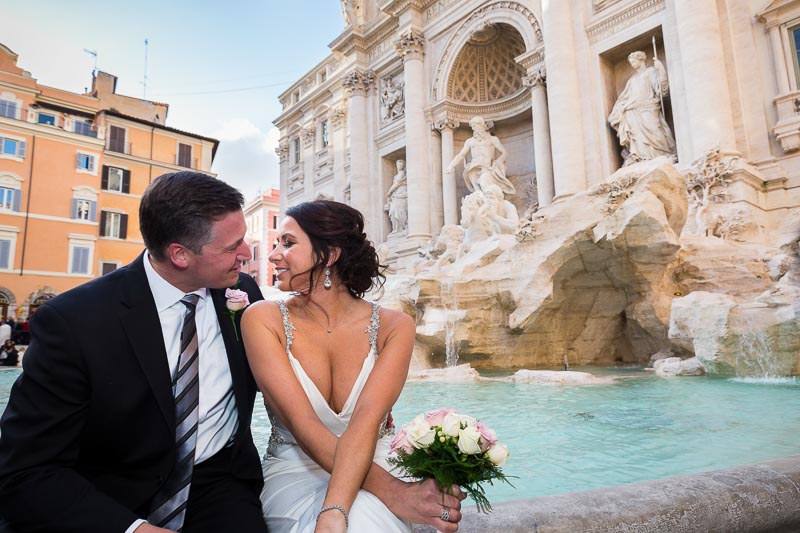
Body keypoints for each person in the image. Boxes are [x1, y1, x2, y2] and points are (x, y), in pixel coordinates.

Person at [0, 171, 268, 533]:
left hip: (219, 487)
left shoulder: (243, 292)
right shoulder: (73, 321)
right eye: (231, 246)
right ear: (179, 255)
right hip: (106, 498)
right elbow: (27, 470)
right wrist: (134, 530)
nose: (246, 254)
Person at [242, 200, 465, 533]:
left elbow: (366, 420)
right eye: (276, 244)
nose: (274, 254)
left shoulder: (395, 326)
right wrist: (390, 494)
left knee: (362, 520)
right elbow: (303, 425)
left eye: (287, 243)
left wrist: (336, 510)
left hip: (376, 461)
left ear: (329, 255)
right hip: (296, 471)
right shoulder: (261, 319)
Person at [608, 50, 677, 166]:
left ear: (640, 59)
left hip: (649, 107)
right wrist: (620, 109)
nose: (632, 64)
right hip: (633, 110)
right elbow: (625, 97)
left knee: (655, 130)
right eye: (630, 62)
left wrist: (661, 70)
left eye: (633, 61)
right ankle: (641, 157)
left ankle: (661, 154)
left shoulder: (651, 72)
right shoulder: (632, 80)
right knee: (637, 136)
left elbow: (661, 91)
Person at [446, 116, 515, 196]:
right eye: (472, 127)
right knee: (478, 193)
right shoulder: (470, 141)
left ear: (480, 125)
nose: (473, 129)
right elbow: (461, 155)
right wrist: (451, 166)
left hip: (486, 168)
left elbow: (504, 153)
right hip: (473, 169)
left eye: (474, 126)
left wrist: (498, 162)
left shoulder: (492, 139)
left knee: (484, 183)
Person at [384, 159, 408, 234]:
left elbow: (397, 183)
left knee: (401, 211)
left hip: (401, 194)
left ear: (404, 165)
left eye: (401, 164)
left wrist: (389, 192)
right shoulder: (396, 175)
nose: (399, 166)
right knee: (393, 211)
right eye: (398, 164)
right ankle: (396, 229)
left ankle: (402, 227)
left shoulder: (402, 173)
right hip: (396, 195)